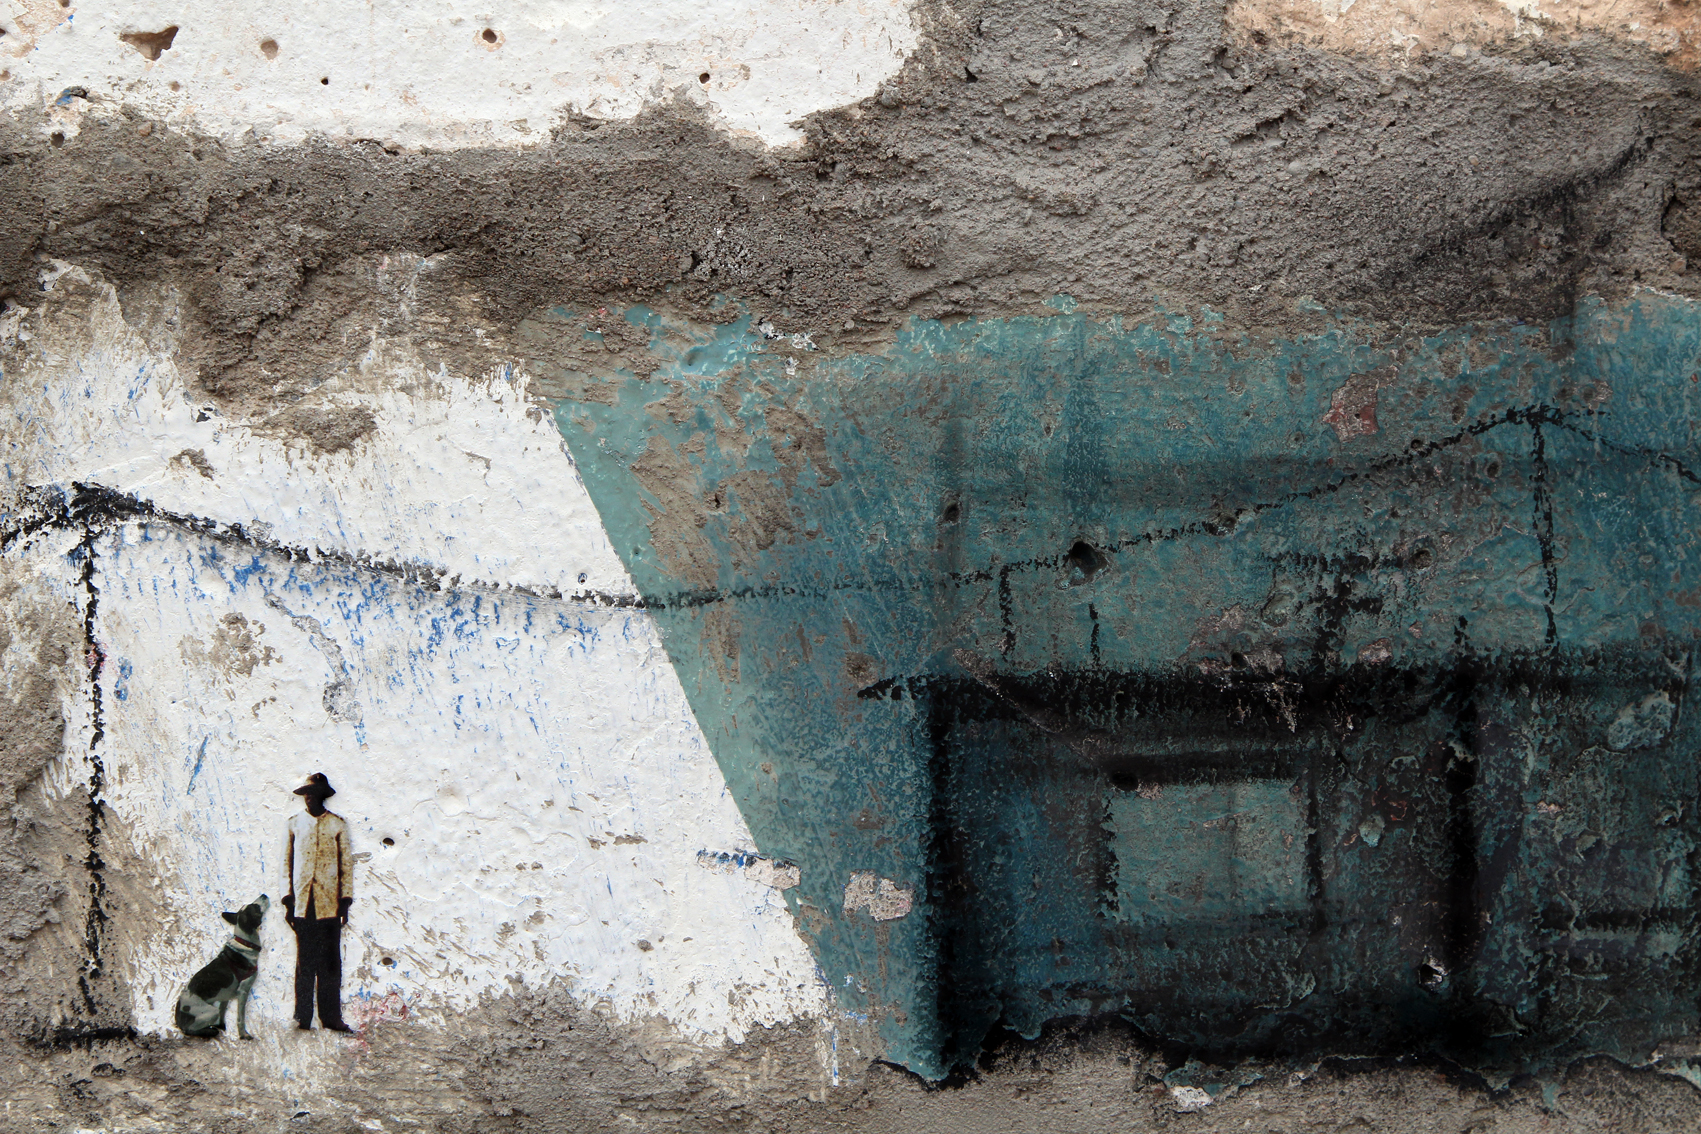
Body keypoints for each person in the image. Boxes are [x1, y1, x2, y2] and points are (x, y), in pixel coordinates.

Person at [283, 772, 353, 1032]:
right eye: (306, 794)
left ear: (323, 796)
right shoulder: (294, 824)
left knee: (330, 964)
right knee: (305, 963)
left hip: (329, 905)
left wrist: (344, 902)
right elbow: (286, 865)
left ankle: (331, 1017)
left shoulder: (337, 825)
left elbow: (346, 866)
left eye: (313, 794)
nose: (309, 798)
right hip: (303, 904)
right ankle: (302, 1017)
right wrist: (288, 902)